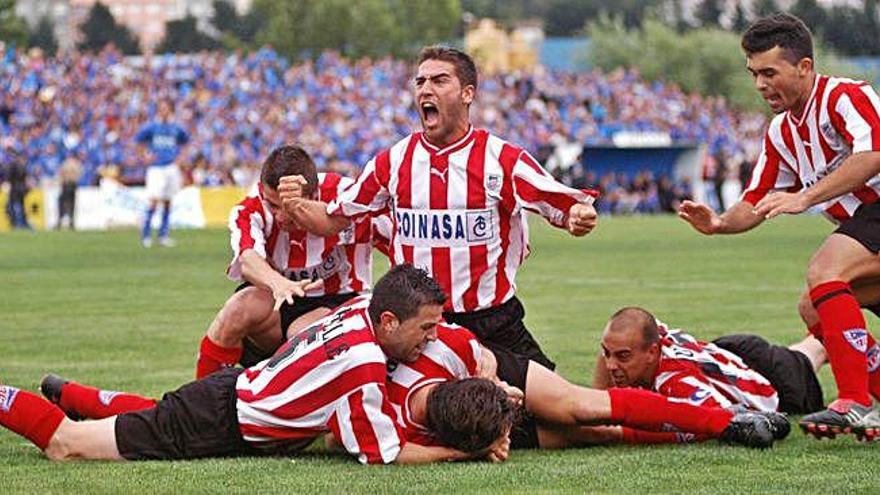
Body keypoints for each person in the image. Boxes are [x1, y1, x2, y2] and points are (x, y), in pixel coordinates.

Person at [279, 45, 598, 371]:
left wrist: (577, 216)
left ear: (467, 93)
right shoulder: (393, 162)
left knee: (552, 412)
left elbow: (562, 204)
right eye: (420, 82)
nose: (426, 89)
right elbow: (333, 219)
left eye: (439, 80)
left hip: (491, 321)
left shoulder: (502, 159)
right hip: (417, 324)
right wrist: (296, 204)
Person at [0, 264, 495, 465]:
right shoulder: (365, 366)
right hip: (221, 419)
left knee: (155, 413)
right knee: (68, 446)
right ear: (389, 321)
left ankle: (72, 393)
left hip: (231, 394)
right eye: (425, 329)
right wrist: (462, 453)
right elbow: (383, 453)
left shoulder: (361, 307)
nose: (429, 340)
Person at [677, 13, 880, 439]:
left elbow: (874, 153)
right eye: (753, 74)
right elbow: (756, 199)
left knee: (826, 271)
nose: (760, 84)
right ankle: (869, 401)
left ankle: (857, 402)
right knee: (812, 306)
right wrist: (717, 223)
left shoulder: (845, 96)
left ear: (804, 67)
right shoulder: (782, 132)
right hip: (868, 230)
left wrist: (805, 197)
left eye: (769, 72)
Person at [386, 322, 786, 451]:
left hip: (488, 375)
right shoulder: (390, 420)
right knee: (593, 434)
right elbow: (388, 451)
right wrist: (473, 450)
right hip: (473, 421)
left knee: (581, 407)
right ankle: (701, 431)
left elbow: (485, 357)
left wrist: (493, 385)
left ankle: (724, 422)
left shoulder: (449, 347)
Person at [194, 144, 383, 378]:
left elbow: (394, 233)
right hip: (279, 299)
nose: (280, 216)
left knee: (303, 334)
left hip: (341, 301)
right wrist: (279, 284)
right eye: (273, 206)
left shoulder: (350, 196)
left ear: (313, 196)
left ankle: (297, 403)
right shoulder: (251, 206)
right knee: (238, 308)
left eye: (288, 207)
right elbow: (247, 259)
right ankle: (201, 400)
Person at [593, 307, 827, 419]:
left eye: (623, 357)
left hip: (775, 383)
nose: (611, 365)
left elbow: (728, 418)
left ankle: (845, 319)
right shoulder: (647, 333)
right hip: (726, 351)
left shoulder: (678, 382)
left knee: (817, 348)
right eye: (607, 353)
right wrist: (599, 402)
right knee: (813, 345)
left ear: (652, 352)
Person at [135, 99, 189, 248]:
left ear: (170, 110)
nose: (163, 111)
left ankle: (163, 235)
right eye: (161, 108)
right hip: (156, 167)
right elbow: (138, 141)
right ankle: (146, 234)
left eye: (166, 108)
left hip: (171, 167)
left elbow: (185, 143)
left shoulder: (176, 128)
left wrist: (180, 159)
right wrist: (144, 156)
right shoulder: (152, 127)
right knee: (153, 200)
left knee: (167, 201)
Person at [57, 155, 82, 230]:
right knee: (72, 204)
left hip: (67, 185)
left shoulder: (65, 164)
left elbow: (61, 174)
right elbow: (79, 174)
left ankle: (61, 221)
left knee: (63, 203)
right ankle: (71, 222)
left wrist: (62, 182)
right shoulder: (77, 164)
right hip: (73, 185)